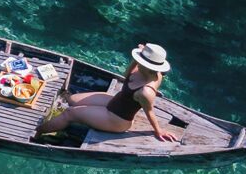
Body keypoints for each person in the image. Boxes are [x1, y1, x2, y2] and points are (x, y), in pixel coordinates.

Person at [44, 42, 176, 142]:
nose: (138, 63)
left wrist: (158, 131)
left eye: (140, 61)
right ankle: (68, 121)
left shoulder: (146, 92)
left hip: (117, 119)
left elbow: (150, 112)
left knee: (70, 113)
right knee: (71, 99)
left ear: (149, 67)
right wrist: (138, 59)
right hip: (115, 101)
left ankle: (38, 131)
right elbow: (126, 76)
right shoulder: (153, 73)